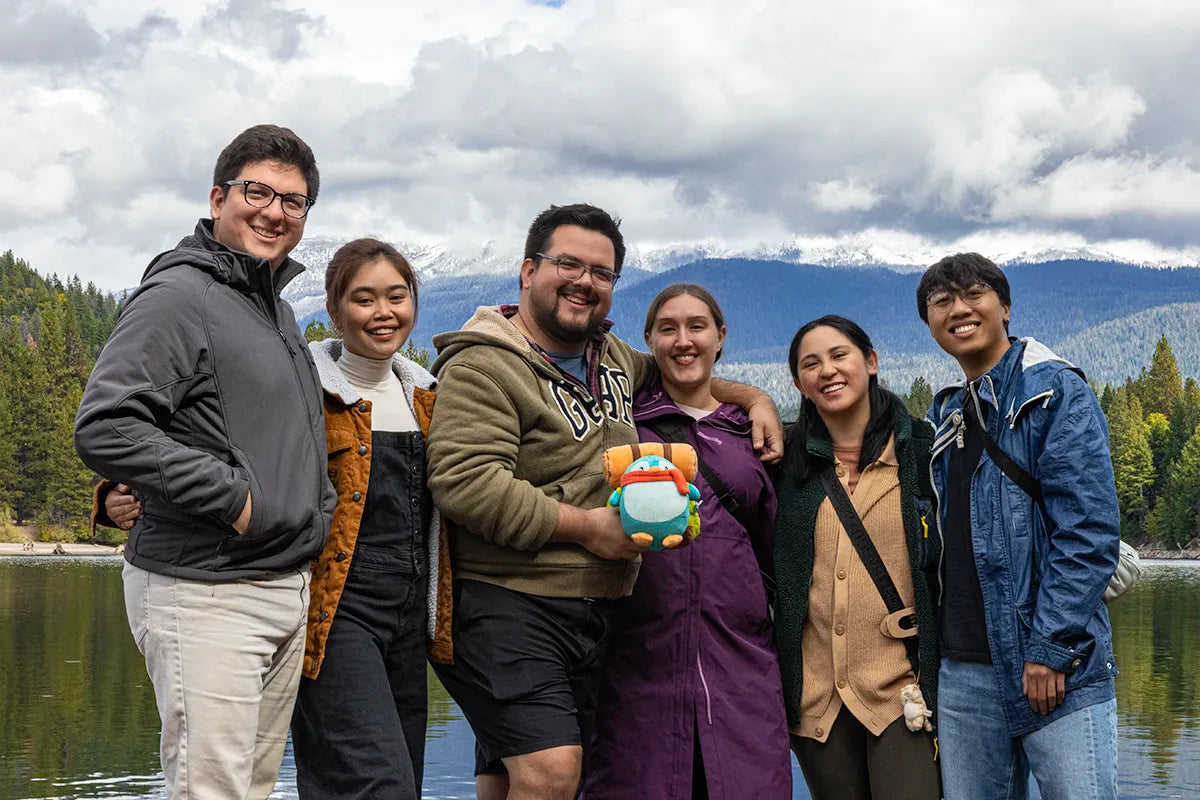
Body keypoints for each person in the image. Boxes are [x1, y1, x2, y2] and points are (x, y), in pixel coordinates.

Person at [424, 203, 783, 800]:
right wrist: (587, 528)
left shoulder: (611, 359)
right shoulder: (485, 366)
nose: (584, 281)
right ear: (527, 271)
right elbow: (465, 480)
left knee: (527, 779)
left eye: (602, 273)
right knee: (552, 773)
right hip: (509, 601)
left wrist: (755, 400)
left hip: (595, 613)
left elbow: (685, 369)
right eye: (568, 264)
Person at [74, 125, 335, 799]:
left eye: (295, 201)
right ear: (218, 197)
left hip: (277, 583)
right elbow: (106, 424)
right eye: (258, 191)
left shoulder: (269, 307)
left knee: (245, 790)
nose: (275, 211)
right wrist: (234, 499)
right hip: (206, 590)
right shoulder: (180, 296)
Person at [917, 253, 1120, 800]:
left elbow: (1088, 533)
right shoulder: (947, 416)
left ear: (1004, 307)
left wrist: (1049, 648)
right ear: (930, 324)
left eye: (974, 294)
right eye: (941, 302)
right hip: (961, 671)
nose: (959, 309)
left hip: (1054, 667)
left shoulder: (1052, 393)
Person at [581, 284, 792, 800]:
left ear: (721, 337)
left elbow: (777, 547)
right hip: (634, 668)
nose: (683, 340)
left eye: (697, 326)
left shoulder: (753, 435)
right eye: (667, 329)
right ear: (648, 342)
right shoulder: (619, 423)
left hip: (743, 667)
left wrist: (757, 399)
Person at [289, 238, 449, 798]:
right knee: (380, 785)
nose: (384, 313)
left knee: (402, 778)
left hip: (412, 618)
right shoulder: (305, 390)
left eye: (397, 297)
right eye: (364, 299)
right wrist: (120, 490)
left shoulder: (431, 396)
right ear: (334, 311)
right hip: (337, 611)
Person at [772, 315, 940, 800]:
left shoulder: (924, 452)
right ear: (800, 384)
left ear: (870, 361)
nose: (827, 370)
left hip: (902, 693)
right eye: (810, 364)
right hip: (816, 698)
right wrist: (751, 398)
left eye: (839, 355)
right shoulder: (783, 461)